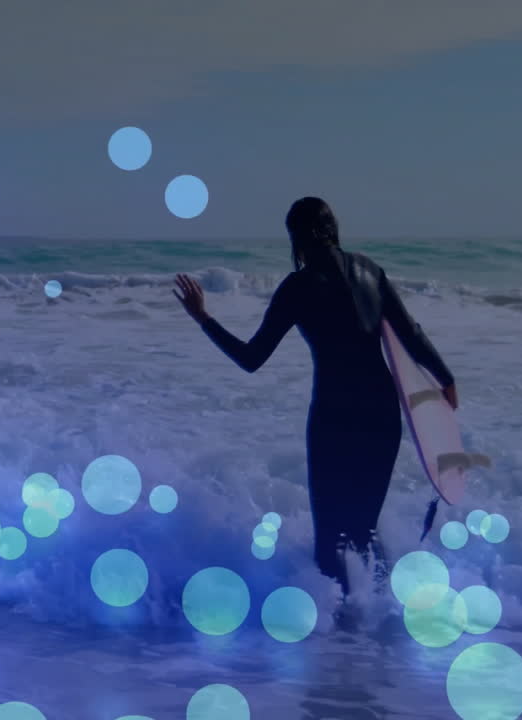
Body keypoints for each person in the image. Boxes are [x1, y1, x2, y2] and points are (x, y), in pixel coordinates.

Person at [172, 197, 457, 597]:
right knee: (363, 531)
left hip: (336, 417)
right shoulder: (370, 271)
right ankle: (379, 620)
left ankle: (341, 637)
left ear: (296, 238)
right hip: (381, 413)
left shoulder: (299, 286)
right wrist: (446, 378)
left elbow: (252, 359)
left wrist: (203, 318)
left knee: (331, 541)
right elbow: (409, 333)